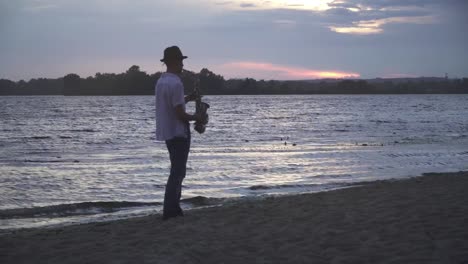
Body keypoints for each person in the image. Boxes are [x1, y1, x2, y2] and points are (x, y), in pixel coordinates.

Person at [155, 46, 204, 220]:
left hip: (168, 132)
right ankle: (171, 211)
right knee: (178, 172)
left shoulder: (162, 81)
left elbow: (173, 104)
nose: (183, 65)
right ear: (175, 62)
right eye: (181, 61)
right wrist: (197, 117)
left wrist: (188, 99)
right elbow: (179, 114)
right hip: (179, 133)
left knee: (176, 171)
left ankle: (173, 209)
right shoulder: (176, 83)